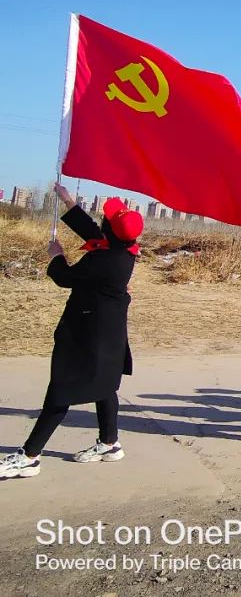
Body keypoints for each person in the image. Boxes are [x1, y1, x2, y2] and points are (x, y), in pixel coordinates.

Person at [1, 185, 141, 480]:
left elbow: (65, 278)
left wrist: (57, 255)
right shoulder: (124, 249)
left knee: (61, 391)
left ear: (112, 232)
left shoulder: (103, 260)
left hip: (89, 336)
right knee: (105, 387)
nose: (102, 223)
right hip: (108, 334)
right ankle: (109, 444)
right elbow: (92, 232)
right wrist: (68, 201)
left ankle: (29, 457)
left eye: (108, 220)